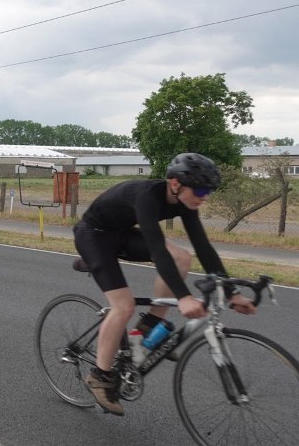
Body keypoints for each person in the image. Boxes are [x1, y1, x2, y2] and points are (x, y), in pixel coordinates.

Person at [73, 152, 256, 416]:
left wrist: (232, 293)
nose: (205, 197)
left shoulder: (185, 203)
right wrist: (183, 297)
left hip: (122, 234)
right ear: (175, 183)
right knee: (123, 306)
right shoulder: (146, 196)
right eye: (201, 190)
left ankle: (149, 326)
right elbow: (158, 251)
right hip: (93, 235)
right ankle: (100, 376)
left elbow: (203, 247)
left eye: (209, 191)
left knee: (182, 257)